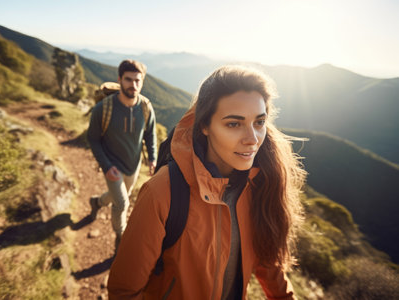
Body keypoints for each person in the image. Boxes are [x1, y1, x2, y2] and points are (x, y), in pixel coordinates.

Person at [107, 65, 306, 299]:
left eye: (259, 122)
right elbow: (124, 292)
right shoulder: (163, 191)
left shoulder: (260, 185)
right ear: (204, 125)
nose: (252, 139)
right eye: (234, 124)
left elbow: (269, 264)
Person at [87, 59, 157, 250]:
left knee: (118, 196)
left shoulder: (145, 107)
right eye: (128, 80)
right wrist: (107, 166)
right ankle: (121, 236)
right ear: (119, 79)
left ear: (142, 82)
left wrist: (152, 158)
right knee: (122, 204)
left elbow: (150, 134)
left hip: (133, 165)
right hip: (113, 165)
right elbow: (93, 139)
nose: (133, 85)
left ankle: (97, 202)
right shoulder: (103, 108)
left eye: (137, 81)